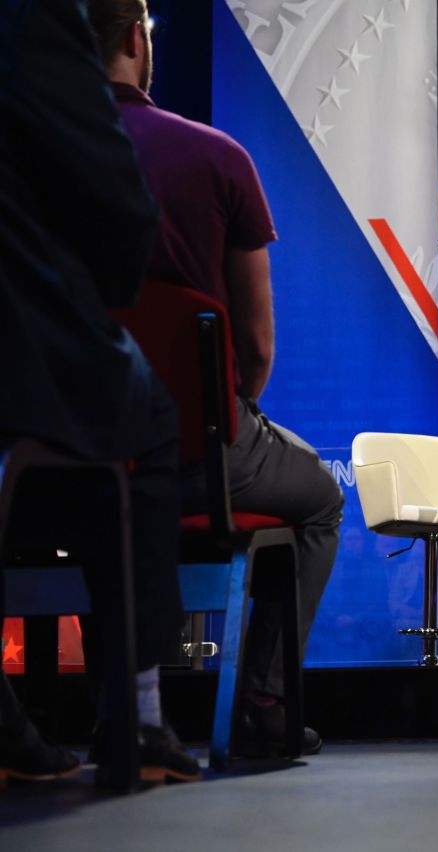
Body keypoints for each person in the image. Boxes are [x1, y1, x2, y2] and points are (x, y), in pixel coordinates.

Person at [88, 0, 342, 756]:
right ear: (138, 37)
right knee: (322, 500)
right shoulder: (217, 157)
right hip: (200, 457)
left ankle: (100, 713)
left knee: (105, 500)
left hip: (62, 463)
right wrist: (228, 420)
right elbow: (256, 347)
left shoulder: (27, 156)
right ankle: (263, 701)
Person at [1, 0, 197, 782]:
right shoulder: (30, 18)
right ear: (135, 39)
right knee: (145, 418)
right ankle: (137, 718)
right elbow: (119, 215)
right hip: (23, 354)